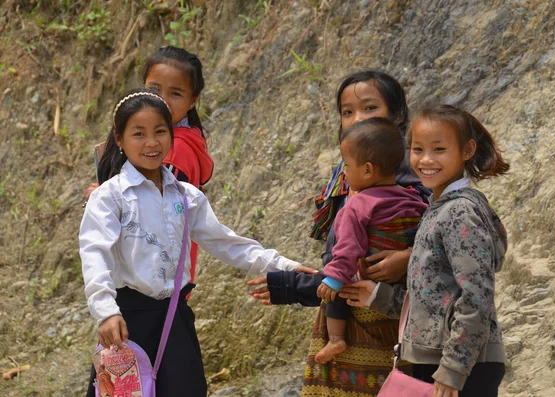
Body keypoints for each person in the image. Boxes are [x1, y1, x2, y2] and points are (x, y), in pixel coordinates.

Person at [81, 89, 313, 397]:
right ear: (120, 139)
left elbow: (228, 244)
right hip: (127, 323)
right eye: (139, 133)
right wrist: (106, 311)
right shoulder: (109, 197)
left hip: (174, 320)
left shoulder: (186, 196)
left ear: (172, 135)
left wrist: (287, 267)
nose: (151, 142)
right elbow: (95, 253)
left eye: (160, 132)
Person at [248, 70, 430, 396]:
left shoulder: (421, 183)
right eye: (347, 112)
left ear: (398, 116)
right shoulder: (346, 184)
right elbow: (343, 265)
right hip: (348, 324)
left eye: (369, 108)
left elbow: (452, 250)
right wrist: (292, 286)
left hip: (397, 326)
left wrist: (410, 257)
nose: (356, 119)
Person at [340, 104, 510, 397]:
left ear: (467, 150)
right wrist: (379, 296)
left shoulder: (459, 212)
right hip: (441, 360)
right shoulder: (439, 207)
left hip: (458, 365)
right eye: (417, 149)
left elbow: (476, 297)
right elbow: (437, 295)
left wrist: (454, 367)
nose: (426, 160)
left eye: (439, 149)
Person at [86, 45, 214, 297]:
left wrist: (105, 201)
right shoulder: (169, 141)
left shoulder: (174, 149)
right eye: (154, 89)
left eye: (175, 93)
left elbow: (155, 214)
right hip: (153, 280)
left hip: (152, 283)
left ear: (192, 101)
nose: (162, 99)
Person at [314, 117, 427, 364]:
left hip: (368, 279)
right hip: (403, 286)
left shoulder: (356, 205)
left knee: (337, 285)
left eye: (347, 165)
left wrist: (333, 278)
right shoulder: (414, 199)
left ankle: (335, 339)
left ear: (367, 170)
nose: (344, 171)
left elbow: (348, 248)